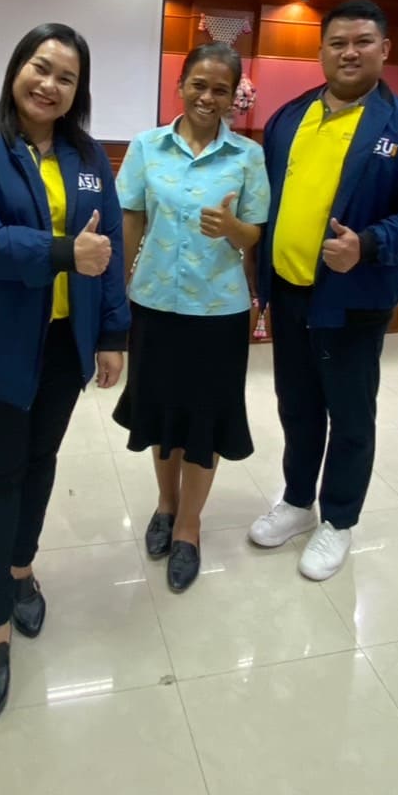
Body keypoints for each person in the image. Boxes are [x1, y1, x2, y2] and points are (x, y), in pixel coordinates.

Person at [0, 22, 129, 722]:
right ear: (17, 67)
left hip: (63, 343)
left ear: (79, 91)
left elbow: (108, 245)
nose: (49, 85)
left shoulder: (87, 156)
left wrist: (112, 332)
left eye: (66, 78)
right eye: (40, 68)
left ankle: (21, 569)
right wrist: (61, 253)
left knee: (40, 460)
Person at [248, 0, 398, 579]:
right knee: (297, 406)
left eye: (362, 41)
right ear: (321, 51)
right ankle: (297, 501)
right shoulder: (289, 118)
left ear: (384, 49)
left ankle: (338, 521)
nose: (349, 52)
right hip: (289, 292)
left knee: (350, 414)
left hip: (353, 300)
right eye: (337, 42)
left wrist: (368, 243)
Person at [114, 42, 270, 592]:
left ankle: (189, 525)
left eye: (221, 89)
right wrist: (116, 294)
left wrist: (232, 229)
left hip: (218, 310)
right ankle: (165, 503)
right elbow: (131, 219)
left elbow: (255, 234)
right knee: (161, 414)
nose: (208, 97)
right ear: (180, 86)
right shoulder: (146, 146)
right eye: (198, 85)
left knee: (205, 419)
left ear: (234, 98)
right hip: (154, 303)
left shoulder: (248, 156)